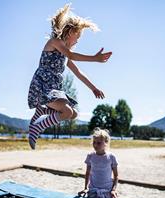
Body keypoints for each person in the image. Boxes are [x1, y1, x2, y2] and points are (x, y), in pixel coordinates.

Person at [27, 4, 112, 149]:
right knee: (66, 112)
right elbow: (72, 54)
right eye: (77, 36)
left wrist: (94, 88)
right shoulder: (55, 42)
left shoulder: (65, 55)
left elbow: (78, 72)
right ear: (70, 31)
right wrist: (95, 58)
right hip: (43, 85)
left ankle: (43, 111)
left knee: (73, 114)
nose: (78, 40)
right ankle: (36, 128)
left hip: (54, 88)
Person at [78, 128, 119, 198]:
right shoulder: (90, 156)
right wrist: (86, 188)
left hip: (107, 191)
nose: (95, 145)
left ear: (106, 142)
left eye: (99, 143)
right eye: (94, 142)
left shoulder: (111, 157)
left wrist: (114, 190)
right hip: (93, 191)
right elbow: (87, 173)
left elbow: (116, 176)